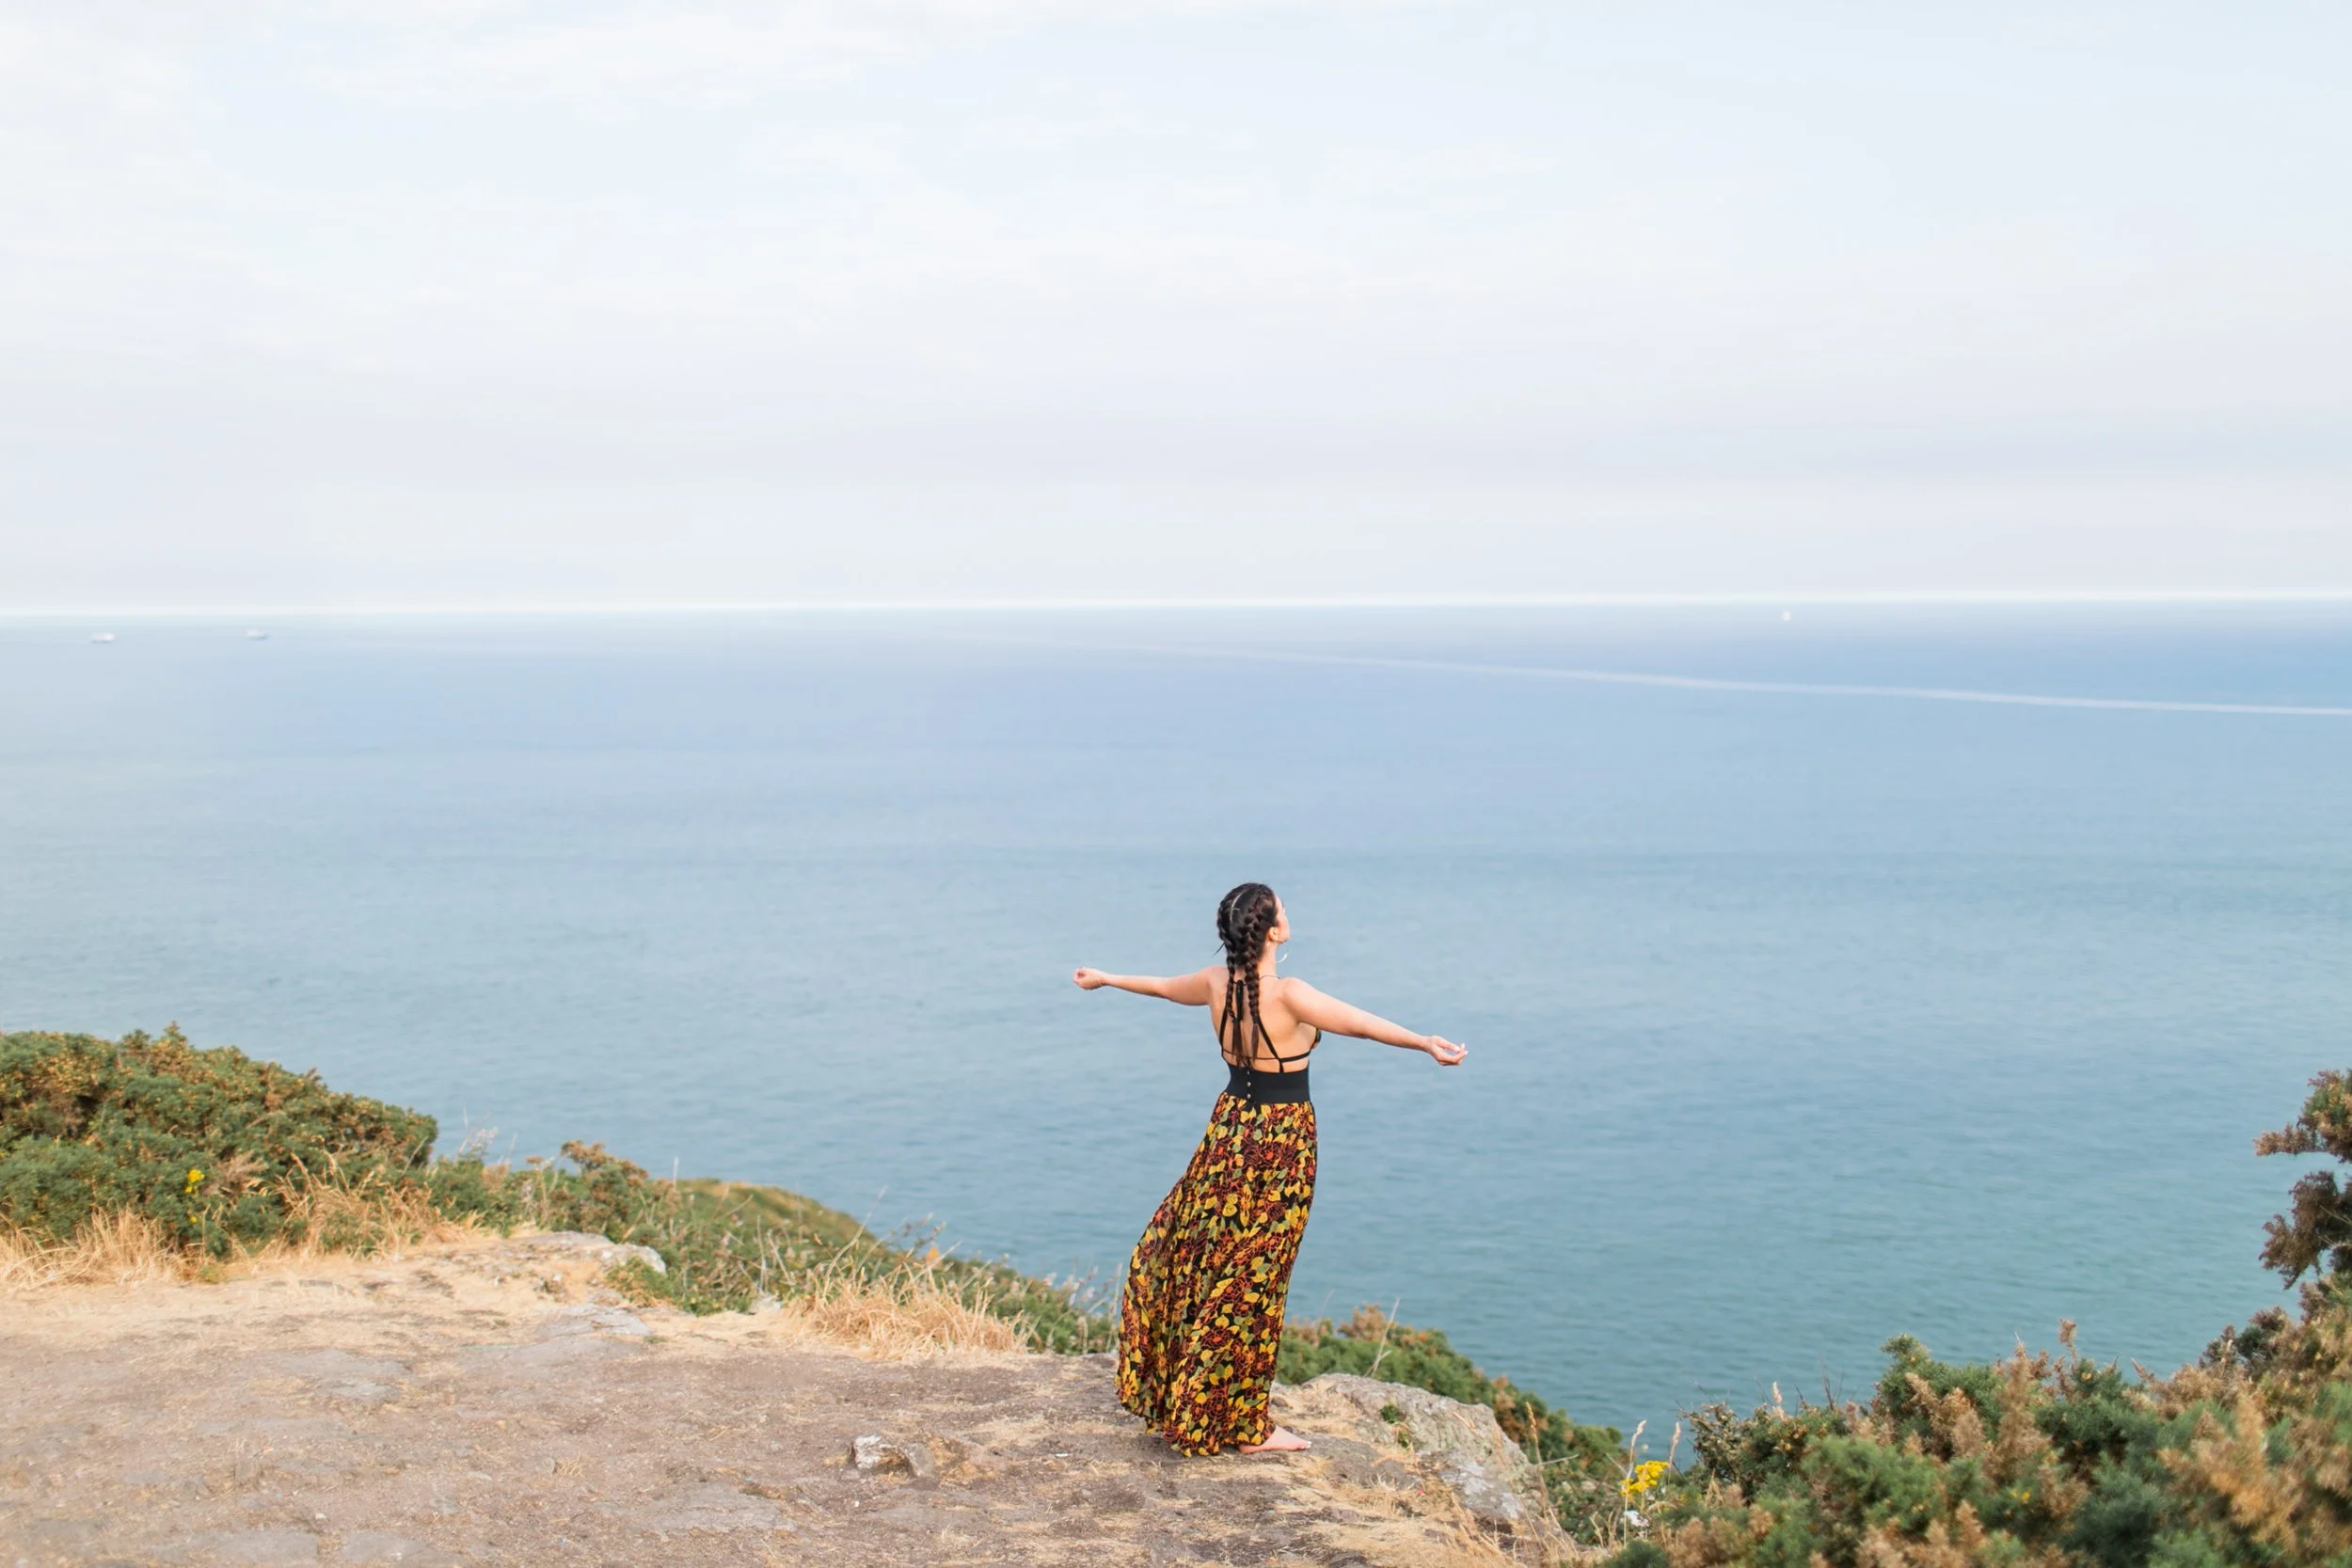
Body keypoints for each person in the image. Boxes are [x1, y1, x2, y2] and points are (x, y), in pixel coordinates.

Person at [1073, 881, 1468, 1456]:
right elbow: (1359, 1023)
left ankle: (1192, 1397)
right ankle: (1245, 1425)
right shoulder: (1290, 993)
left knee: (1202, 1257)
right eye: (1283, 908)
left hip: (1230, 1131)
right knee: (1258, 1278)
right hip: (1282, 1141)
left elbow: (1159, 988)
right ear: (1274, 931)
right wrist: (1423, 1042)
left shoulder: (1216, 984)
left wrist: (1106, 977)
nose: (1289, 912)